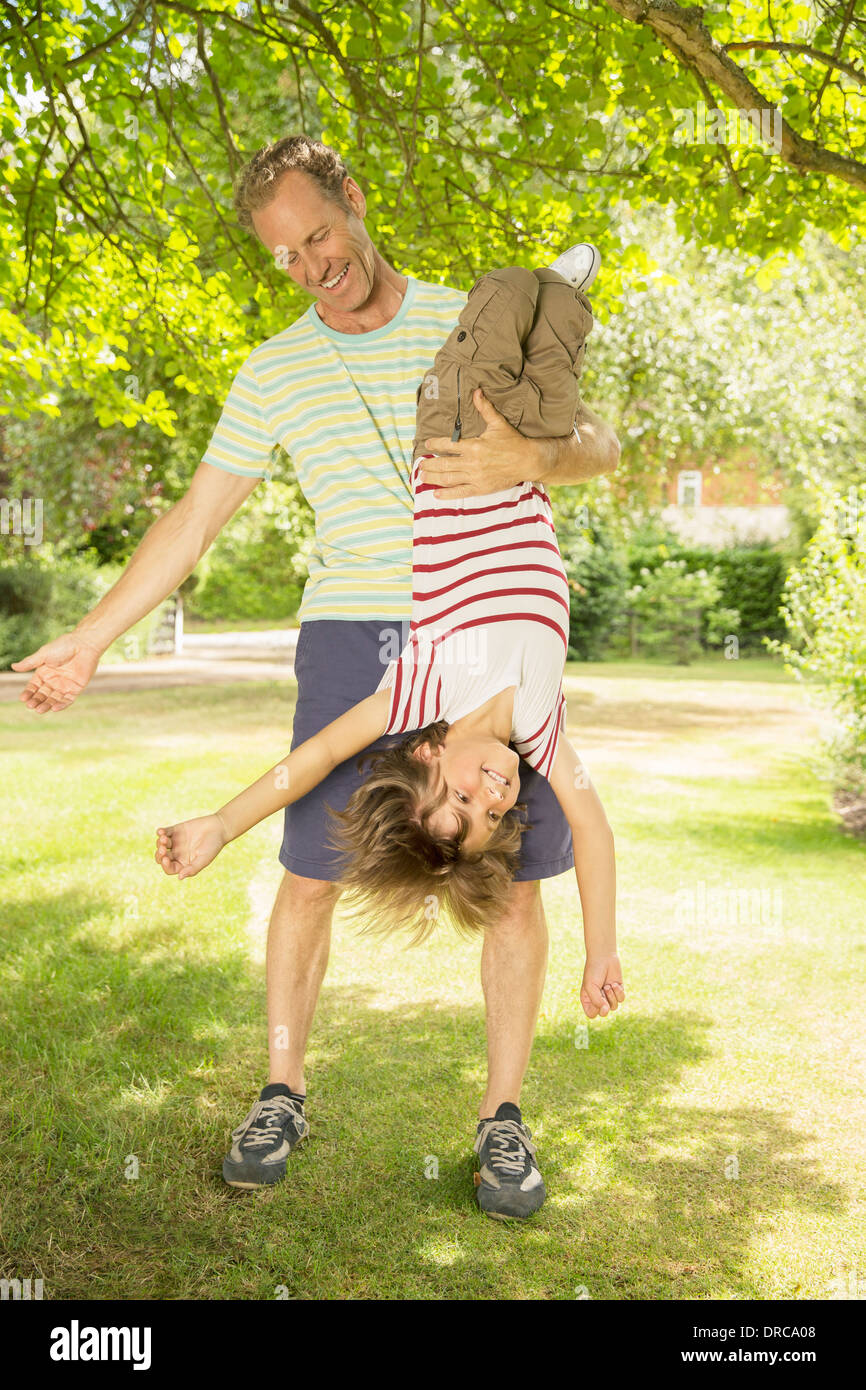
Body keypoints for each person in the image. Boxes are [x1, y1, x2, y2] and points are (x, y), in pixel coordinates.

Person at [12, 134, 621, 1220]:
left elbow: (602, 444)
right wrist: (96, 634)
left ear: (352, 197)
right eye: (285, 256)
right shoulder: (272, 370)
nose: (310, 265)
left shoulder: (465, 314)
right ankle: (282, 1086)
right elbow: (195, 520)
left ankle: (502, 1120)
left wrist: (535, 460)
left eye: (318, 234)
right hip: (352, 627)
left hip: (469, 614)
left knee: (517, 881)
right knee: (309, 871)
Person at [155, 245, 625, 1218]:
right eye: (493, 811)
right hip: (524, 476)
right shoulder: (537, 728)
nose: (492, 793)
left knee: (499, 301)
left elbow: (314, 759)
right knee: (556, 356)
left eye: (461, 796)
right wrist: (601, 951)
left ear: (425, 756)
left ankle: (523, 279)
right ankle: (563, 292)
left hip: (450, 447)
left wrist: (218, 822)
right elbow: (591, 829)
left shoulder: (416, 687)